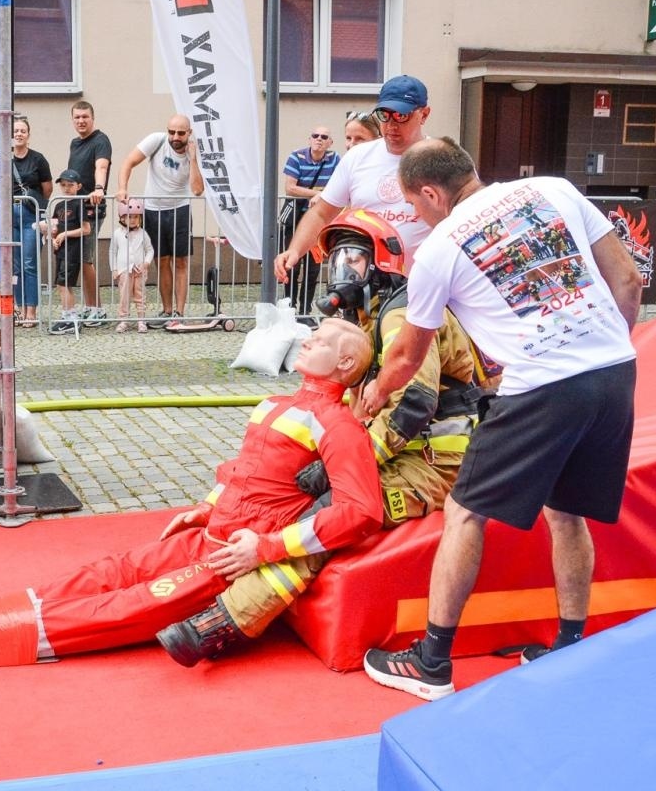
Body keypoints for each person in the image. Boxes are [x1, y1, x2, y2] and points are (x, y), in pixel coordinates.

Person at [0, 317, 382, 668]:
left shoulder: (337, 426)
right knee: (110, 572)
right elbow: (243, 471)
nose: (307, 339)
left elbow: (361, 511)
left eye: (320, 340)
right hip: (216, 536)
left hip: (233, 556)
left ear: (345, 362)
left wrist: (265, 549)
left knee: (129, 605)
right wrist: (205, 508)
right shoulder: (278, 404)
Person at [357, 138, 642, 701]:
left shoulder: (439, 250)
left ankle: (432, 662)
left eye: (416, 206)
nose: (417, 217)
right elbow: (628, 281)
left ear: (432, 193)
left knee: (464, 512)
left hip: (542, 381)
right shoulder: (554, 189)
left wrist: (375, 392)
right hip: (614, 367)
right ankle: (570, 645)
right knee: (566, 513)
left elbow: (409, 357)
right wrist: (603, 350)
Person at [155, 208, 491, 666]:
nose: (341, 270)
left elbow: (413, 404)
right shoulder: (370, 317)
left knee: (327, 514)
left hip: (431, 462)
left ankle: (228, 621)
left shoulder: (401, 316)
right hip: (400, 447)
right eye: (334, 259)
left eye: (352, 257)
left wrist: (353, 463)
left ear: (381, 263)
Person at [273, 75, 433, 289]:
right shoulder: (358, 157)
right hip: (361, 283)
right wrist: (294, 250)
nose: (392, 125)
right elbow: (321, 213)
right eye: (384, 116)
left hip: (421, 283)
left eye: (401, 115)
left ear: (423, 114)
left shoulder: (442, 159)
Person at [116, 115, 204, 318]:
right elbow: (128, 162)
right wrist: (122, 188)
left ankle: (179, 313)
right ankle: (166, 310)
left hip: (180, 210)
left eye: (181, 133)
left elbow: (198, 190)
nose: (175, 137)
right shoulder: (156, 140)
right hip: (153, 210)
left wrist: (193, 159)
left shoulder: (193, 151)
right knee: (162, 261)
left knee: (180, 262)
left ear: (189, 133)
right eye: (171, 131)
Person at [279, 126, 341, 313]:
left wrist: (321, 197)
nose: (319, 139)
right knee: (292, 265)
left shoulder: (335, 159)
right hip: (296, 218)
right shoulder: (296, 157)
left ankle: (305, 310)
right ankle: (290, 308)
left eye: (324, 137)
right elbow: (290, 188)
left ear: (330, 143)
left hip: (319, 220)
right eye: (315, 135)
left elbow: (339, 185)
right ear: (309, 139)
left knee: (313, 268)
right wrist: (318, 194)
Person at [66, 101, 112, 322]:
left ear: (92, 118)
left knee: (86, 258)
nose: (81, 121)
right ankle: (89, 304)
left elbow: (100, 166)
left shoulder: (101, 141)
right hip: (77, 208)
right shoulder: (75, 143)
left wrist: (99, 189)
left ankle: (97, 309)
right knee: (82, 259)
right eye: (77, 117)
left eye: (85, 116)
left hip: (92, 207)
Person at [10, 117, 53, 326]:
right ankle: (18, 308)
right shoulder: (4, 159)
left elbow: (47, 189)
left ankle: (31, 311)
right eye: (16, 130)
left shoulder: (38, 159)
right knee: (14, 266)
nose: (19, 134)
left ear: (28, 134)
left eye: (22, 131)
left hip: (29, 215)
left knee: (29, 264)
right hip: (10, 216)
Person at [43, 170, 93, 334]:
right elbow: (56, 227)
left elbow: (86, 229)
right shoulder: (58, 205)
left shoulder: (79, 203)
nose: (66, 188)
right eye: (63, 185)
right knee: (60, 283)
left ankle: (70, 317)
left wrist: (65, 235)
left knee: (65, 283)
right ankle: (67, 315)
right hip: (61, 250)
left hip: (73, 250)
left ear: (78, 186)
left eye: (70, 185)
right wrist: (53, 236)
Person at [108, 198, 154, 331]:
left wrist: (146, 263)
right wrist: (114, 269)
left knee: (140, 295)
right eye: (129, 217)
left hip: (139, 270)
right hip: (124, 270)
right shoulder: (117, 234)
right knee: (124, 296)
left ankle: (141, 320)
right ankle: (124, 320)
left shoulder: (143, 233)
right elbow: (113, 251)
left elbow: (150, 250)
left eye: (136, 217)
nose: (133, 220)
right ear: (122, 218)